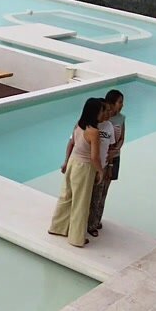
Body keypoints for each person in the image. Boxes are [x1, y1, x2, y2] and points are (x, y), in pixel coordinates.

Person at [49, 97, 109, 248]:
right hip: (84, 168)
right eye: (102, 111)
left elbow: (73, 143)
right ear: (95, 112)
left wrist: (66, 162)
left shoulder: (78, 125)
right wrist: (100, 171)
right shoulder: (94, 132)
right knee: (81, 202)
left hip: (72, 162)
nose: (103, 113)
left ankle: (57, 227)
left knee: (66, 196)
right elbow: (94, 157)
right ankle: (76, 238)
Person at [87, 89, 125, 238]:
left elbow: (121, 138)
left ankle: (96, 220)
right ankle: (89, 221)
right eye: (119, 102)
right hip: (101, 158)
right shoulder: (100, 119)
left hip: (113, 158)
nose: (122, 105)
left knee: (103, 191)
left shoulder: (121, 119)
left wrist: (115, 151)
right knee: (94, 191)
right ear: (111, 103)